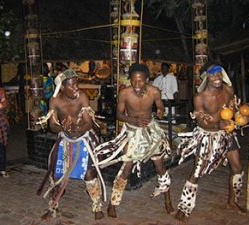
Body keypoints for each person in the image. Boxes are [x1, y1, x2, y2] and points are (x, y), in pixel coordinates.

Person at [94, 63, 174, 218]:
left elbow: (160, 107)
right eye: (134, 81)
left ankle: (168, 201)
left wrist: (160, 111)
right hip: (132, 131)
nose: (137, 85)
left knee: (160, 167)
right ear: (130, 80)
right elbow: (119, 115)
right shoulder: (125, 93)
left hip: (151, 131)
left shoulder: (154, 92)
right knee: (126, 168)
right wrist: (133, 120)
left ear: (147, 80)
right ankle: (113, 204)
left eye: (141, 81)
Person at [175, 63, 245, 222]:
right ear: (206, 77)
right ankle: (184, 207)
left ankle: (232, 201)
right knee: (197, 172)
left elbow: (233, 111)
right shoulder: (200, 98)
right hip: (208, 135)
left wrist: (238, 116)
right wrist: (217, 125)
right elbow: (201, 122)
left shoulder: (228, 90)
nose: (217, 78)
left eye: (219, 74)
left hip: (227, 133)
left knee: (237, 167)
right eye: (213, 75)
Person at [36, 69, 106, 220]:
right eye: (72, 85)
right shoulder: (54, 101)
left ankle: (97, 205)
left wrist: (77, 128)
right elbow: (52, 126)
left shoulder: (81, 97)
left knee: (89, 174)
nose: (76, 88)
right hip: (65, 140)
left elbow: (88, 123)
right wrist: (63, 128)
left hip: (84, 139)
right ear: (62, 87)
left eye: (77, 84)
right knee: (56, 174)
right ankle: (53, 206)